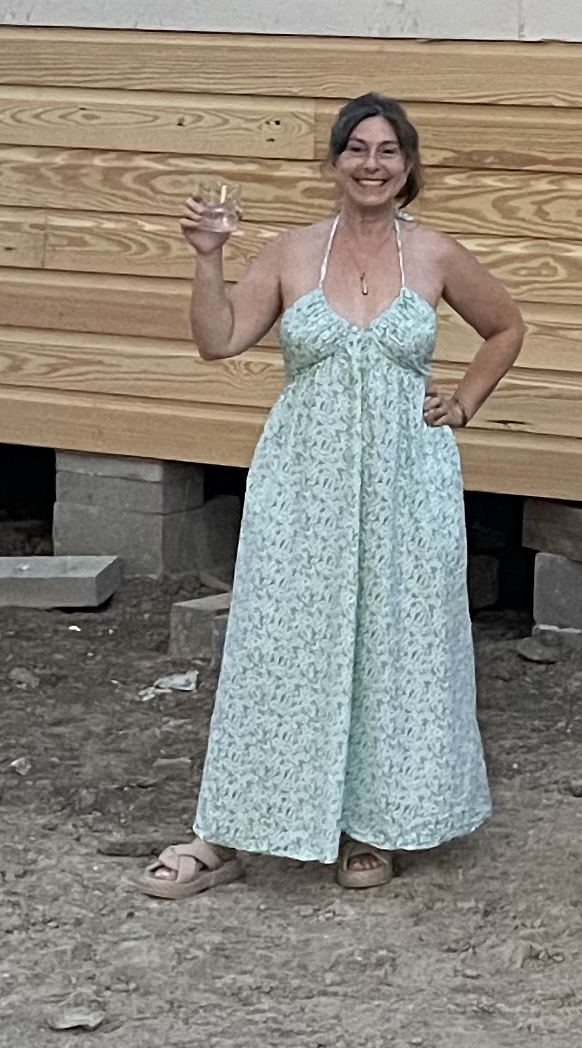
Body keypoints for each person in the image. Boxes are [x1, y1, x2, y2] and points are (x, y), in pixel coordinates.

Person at [139, 94, 526, 896]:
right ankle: (230, 830)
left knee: (398, 647)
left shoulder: (435, 254)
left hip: (406, 484)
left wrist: (463, 403)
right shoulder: (290, 253)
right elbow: (218, 340)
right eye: (356, 148)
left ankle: (373, 826)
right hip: (302, 482)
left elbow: (506, 327)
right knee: (279, 643)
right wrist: (208, 257)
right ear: (333, 161)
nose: (371, 164)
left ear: (408, 167)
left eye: (388, 151)